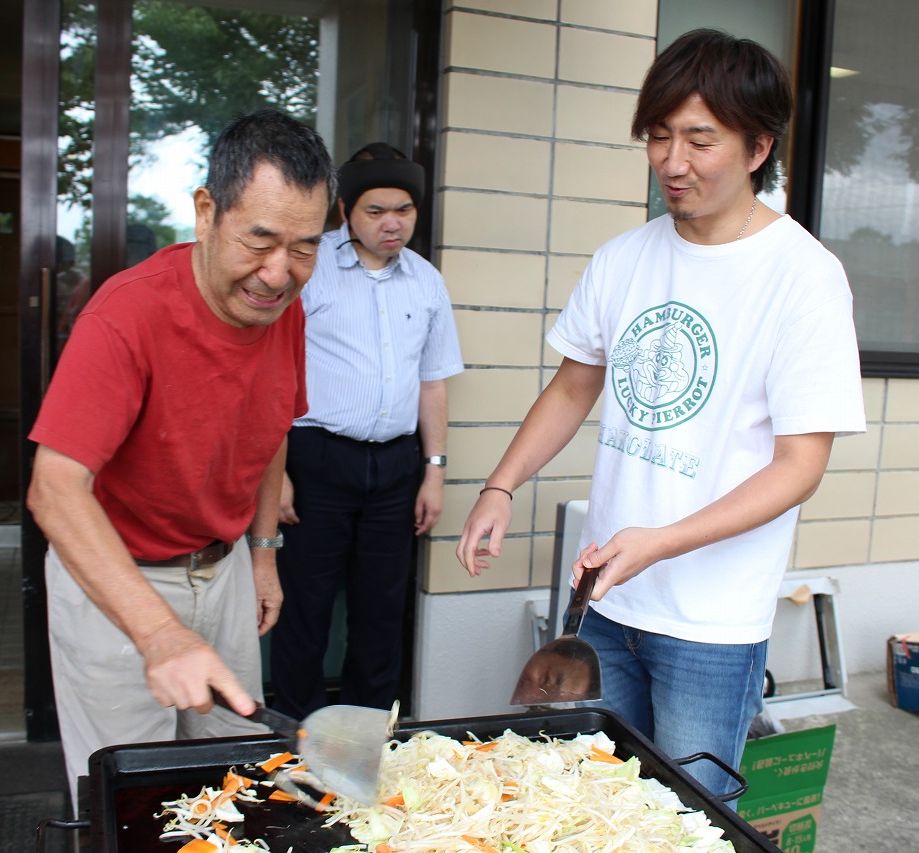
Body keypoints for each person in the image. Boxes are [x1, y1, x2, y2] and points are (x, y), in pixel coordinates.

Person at [456, 29, 866, 796]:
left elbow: (800, 466)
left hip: (712, 622)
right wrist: (500, 485)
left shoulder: (804, 278)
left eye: (699, 139)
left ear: (757, 147)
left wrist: (662, 542)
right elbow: (574, 385)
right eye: (658, 136)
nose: (673, 162)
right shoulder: (624, 257)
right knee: (585, 801)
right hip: (605, 598)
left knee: (688, 815)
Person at [26, 109, 336, 806]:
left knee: (234, 782)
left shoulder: (284, 308)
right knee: (133, 799)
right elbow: (54, 489)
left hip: (221, 571)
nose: (279, 272)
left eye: (305, 247)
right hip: (116, 582)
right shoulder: (126, 315)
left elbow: (270, 427)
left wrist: (261, 552)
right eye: (259, 240)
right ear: (206, 212)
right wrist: (160, 634)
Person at [270, 142, 464, 718]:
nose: (392, 223)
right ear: (345, 211)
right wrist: (274, 475)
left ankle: (365, 742)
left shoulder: (426, 281)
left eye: (403, 210)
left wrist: (434, 471)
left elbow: (433, 382)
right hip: (316, 460)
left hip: (396, 468)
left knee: (381, 613)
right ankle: (297, 744)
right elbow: (273, 374)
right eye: (376, 210)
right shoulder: (309, 267)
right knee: (305, 608)